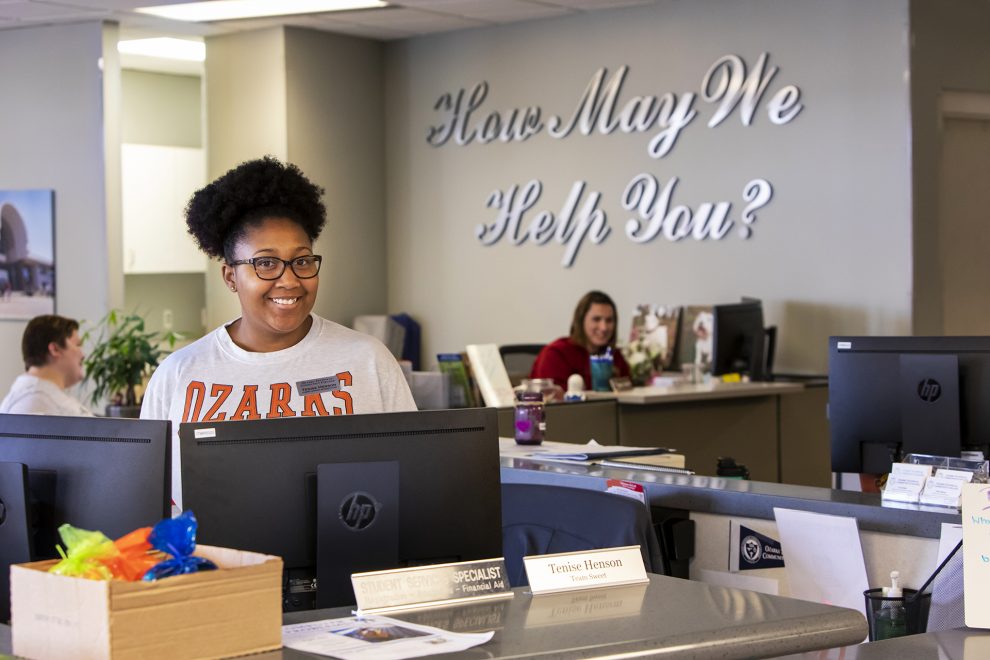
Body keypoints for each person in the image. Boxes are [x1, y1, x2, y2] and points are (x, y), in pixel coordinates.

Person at [141, 156, 416, 509]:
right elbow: (153, 504)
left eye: (302, 260)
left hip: (341, 558)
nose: (289, 280)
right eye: (265, 263)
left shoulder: (367, 360)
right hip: (213, 563)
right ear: (230, 277)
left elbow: (410, 482)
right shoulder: (178, 374)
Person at [529, 290, 630, 389]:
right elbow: (550, 400)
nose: (604, 327)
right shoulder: (556, 354)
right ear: (581, 320)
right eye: (596, 319)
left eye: (609, 320)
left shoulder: (614, 356)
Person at [0, 314, 94, 416]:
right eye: (77, 345)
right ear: (55, 349)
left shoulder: (37, 397)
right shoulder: (33, 402)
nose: (83, 354)